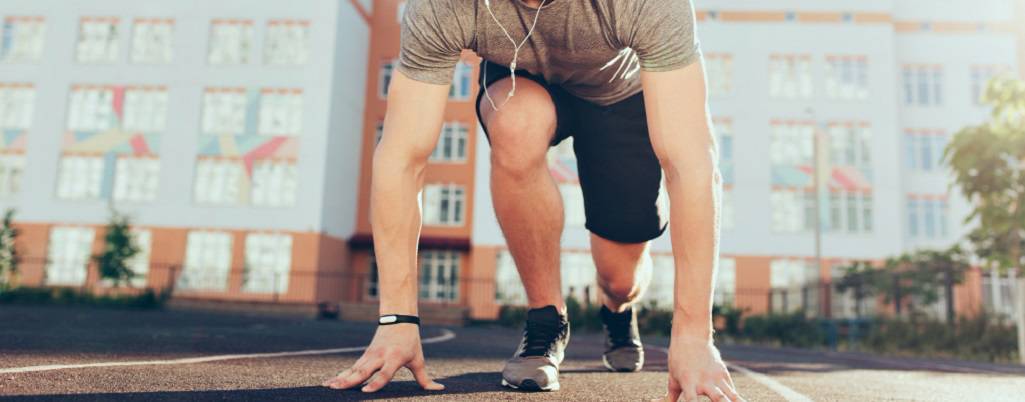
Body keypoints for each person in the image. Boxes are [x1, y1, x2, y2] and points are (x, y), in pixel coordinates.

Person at [323, 0, 743, 400]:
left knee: (621, 279)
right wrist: (397, 319)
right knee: (514, 124)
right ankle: (546, 318)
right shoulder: (445, 7)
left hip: (619, 94)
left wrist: (693, 336)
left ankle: (615, 309)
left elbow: (692, 163)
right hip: (520, 77)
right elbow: (402, 155)